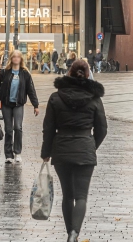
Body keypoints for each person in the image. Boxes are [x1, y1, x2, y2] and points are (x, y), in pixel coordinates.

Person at [41, 60, 108, 242]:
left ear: (69, 73)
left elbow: (48, 128)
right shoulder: (95, 99)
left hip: (61, 149)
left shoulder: (56, 97)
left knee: (67, 196)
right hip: (85, 147)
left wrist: (46, 151)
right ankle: (74, 234)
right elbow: (102, 129)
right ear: (87, 75)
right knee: (81, 196)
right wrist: (90, 146)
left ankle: (70, 233)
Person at [0, 50, 40, 163]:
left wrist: (35, 105)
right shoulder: (4, 73)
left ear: (21, 59)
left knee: (18, 127)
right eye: (14, 57)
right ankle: (8, 155)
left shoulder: (25, 73)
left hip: (18, 104)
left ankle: (17, 152)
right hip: (6, 104)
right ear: (11, 59)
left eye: (18, 57)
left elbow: (31, 90)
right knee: (8, 129)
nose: (16, 59)